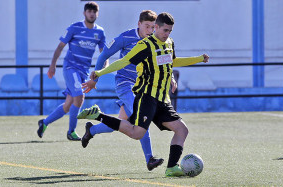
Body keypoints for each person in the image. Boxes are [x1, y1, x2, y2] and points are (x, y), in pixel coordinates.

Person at [77, 12, 209, 177]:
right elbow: (123, 61)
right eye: (164, 30)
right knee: (136, 131)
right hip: (142, 93)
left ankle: (171, 167)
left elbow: (171, 61)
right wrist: (99, 73)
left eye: (170, 31)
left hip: (162, 98)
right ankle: (149, 157)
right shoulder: (144, 45)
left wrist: (197, 59)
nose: (167, 34)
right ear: (155, 27)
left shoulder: (169, 43)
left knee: (181, 130)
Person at [81, 10, 176, 171]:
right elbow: (104, 55)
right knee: (140, 119)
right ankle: (150, 158)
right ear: (138, 24)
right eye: (147, 26)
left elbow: (163, 62)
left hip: (142, 86)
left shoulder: (155, 41)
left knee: (124, 122)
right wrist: (94, 79)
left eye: (153, 27)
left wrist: (171, 77)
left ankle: (92, 129)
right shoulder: (125, 37)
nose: (150, 30)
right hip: (125, 83)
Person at [37, 2, 108, 141]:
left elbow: (104, 54)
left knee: (68, 104)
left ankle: (44, 122)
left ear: (97, 14)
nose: (92, 13)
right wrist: (52, 66)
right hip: (71, 67)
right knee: (80, 97)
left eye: (94, 11)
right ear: (84, 13)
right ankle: (71, 132)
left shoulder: (99, 32)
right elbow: (60, 47)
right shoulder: (74, 28)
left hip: (84, 71)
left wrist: (104, 68)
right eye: (89, 11)